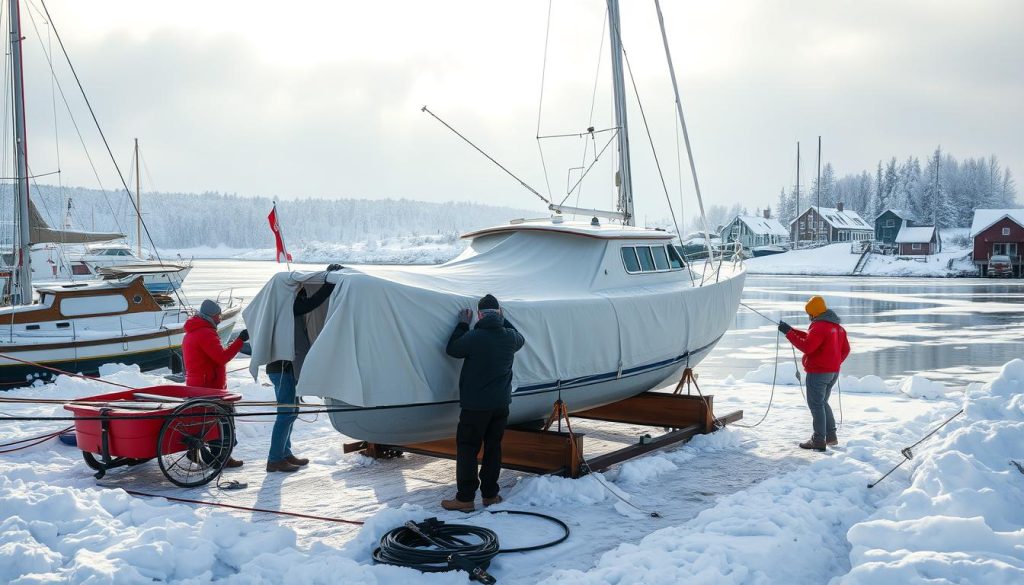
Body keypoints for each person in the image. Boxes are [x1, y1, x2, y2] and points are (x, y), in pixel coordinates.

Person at [441, 294, 525, 512]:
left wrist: (461, 324)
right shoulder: (510, 338)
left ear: (478, 315)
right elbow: (520, 337)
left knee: (468, 449)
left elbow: (452, 349)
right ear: (498, 313)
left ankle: (465, 499)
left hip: (475, 406)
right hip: (501, 405)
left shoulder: (474, 337)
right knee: (493, 448)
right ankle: (490, 495)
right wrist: (504, 319)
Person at [264, 264, 344, 473]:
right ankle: (274, 459)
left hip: (285, 367)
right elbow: (312, 303)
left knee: (291, 411)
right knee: (286, 412)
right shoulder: (286, 306)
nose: (300, 292)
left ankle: (284, 453)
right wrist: (328, 281)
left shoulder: (287, 306)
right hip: (282, 368)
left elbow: (308, 302)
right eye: (298, 289)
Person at [778, 295, 850, 452]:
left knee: (816, 405)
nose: (808, 317)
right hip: (833, 373)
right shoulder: (837, 328)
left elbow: (808, 347)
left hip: (818, 373)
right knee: (822, 402)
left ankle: (818, 440)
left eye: (809, 313)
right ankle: (831, 436)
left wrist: (789, 335)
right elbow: (845, 350)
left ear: (814, 313)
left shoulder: (818, 327)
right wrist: (790, 330)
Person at [182, 299, 248, 467]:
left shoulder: (192, 332)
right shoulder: (206, 333)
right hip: (209, 387)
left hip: (196, 384)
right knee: (223, 420)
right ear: (211, 316)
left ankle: (195, 451)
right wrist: (240, 341)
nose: (219, 319)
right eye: (218, 316)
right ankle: (222, 457)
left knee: (204, 421)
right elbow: (222, 358)